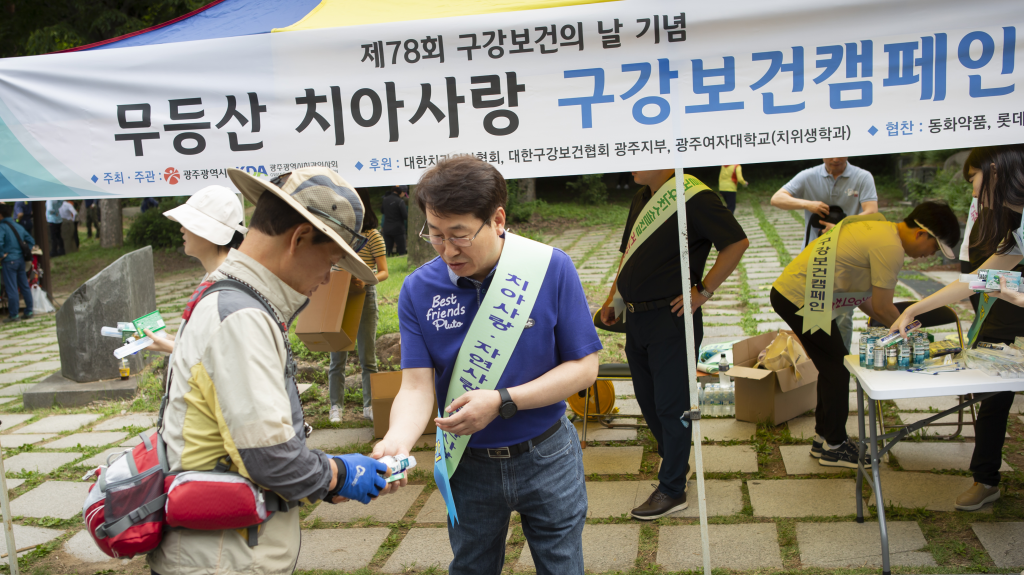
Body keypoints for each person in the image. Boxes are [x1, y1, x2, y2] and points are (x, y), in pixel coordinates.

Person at [149, 167, 389, 575]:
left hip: (222, 548)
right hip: (226, 558)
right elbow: (272, 459)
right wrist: (340, 473)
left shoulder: (227, 294)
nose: (327, 278)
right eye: (330, 261)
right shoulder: (242, 317)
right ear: (298, 239)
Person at [375, 156, 600, 575]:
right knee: (472, 565)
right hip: (467, 464)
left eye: (459, 235)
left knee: (562, 565)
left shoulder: (548, 267)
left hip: (547, 453)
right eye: (435, 234)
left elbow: (584, 367)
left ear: (497, 219)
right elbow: (416, 387)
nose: (446, 250)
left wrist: (502, 401)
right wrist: (397, 443)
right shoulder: (419, 288)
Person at [599, 169, 749, 518]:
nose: (630, 165)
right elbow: (629, 255)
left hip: (671, 318)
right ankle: (676, 466)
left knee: (671, 404)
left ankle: (672, 489)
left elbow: (736, 243)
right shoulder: (642, 195)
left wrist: (704, 291)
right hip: (636, 317)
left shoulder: (696, 196)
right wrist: (615, 301)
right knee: (648, 400)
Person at [772, 201, 959, 468]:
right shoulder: (890, 248)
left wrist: (901, 325)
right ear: (921, 234)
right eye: (934, 248)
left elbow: (865, 300)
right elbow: (883, 308)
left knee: (832, 366)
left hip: (800, 295)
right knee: (837, 368)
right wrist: (911, 334)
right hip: (800, 298)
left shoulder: (879, 229)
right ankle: (834, 446)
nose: (929, 256)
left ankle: (823, 438)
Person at [893, 144, 1024, 511]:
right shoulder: (1016, 227)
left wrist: (1014, 293)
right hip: (1001, 316)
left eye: (973, 179)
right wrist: (915, 308)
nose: (972, 192)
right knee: (993, 393)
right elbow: (978, 280)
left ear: (995, 170)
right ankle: (986, 478)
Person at [770, 157, 880, 352]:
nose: (835, 158)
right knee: (814, 312)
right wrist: (807, 204)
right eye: (830, 154)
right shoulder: (809, 175)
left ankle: (842, 359)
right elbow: (777, 198)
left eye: (840, 153)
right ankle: (818, 362)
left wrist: (840, 227)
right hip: (816, 258)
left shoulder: (862, 177)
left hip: (848, 257)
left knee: (843, 315)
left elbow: (872, 212)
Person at [140, 185, 248, 354]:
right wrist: (172, 340)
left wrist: (173, 347)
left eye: (189, 223)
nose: (182, 229)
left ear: (209, 230)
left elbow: (228, 354)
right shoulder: (216, 276)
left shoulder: (230, 287)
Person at [328, 189, 389, 423]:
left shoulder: (372, 235)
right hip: (337, 295)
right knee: (337, 357)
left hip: (364, 295)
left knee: (367, 357)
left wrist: (366, 279)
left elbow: (384, 271)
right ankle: (336, 407)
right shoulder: (337, 233)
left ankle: (369, 406)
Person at [0, 204, 34, 323]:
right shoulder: (18, 226)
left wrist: (2, 254)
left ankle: (14, 315)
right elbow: (31, 241)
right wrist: (24, 252)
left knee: (12, 288)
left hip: (9, 261)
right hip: (20, 260)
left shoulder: (2, 227)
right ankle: (29, 311)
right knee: (24, 285)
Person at [382, 185, 408, 256]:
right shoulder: (400, 201)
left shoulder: (385, 199)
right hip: (398, 229)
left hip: (387, 228)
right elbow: (405, 216)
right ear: (401, 191)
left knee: (387, 251)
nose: (404, 195)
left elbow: (382, 211)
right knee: (401, 251)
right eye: (404, 192)